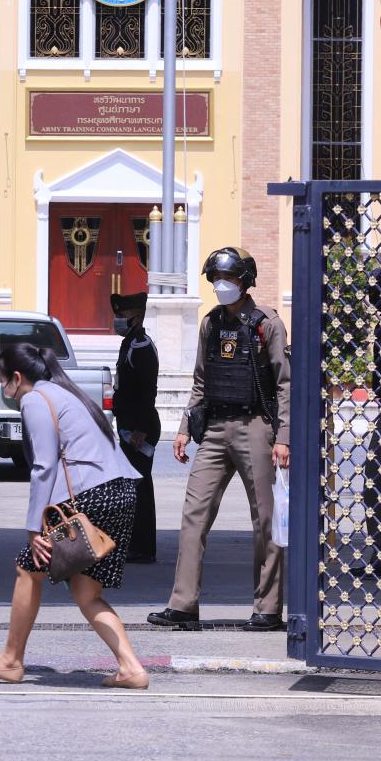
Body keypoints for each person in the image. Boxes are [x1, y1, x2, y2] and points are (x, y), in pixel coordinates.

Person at [0, 343, 148, 689]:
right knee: (87, 594)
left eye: (1, 380)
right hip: (121, 492)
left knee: (28, 568)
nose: (2, 388)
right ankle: (131, 668)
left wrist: (33, 527)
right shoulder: (68, 392)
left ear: (16, 378)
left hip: (91, 496)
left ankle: (10, 660)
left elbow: (44, 465)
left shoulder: (36, 399)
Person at [149, 246, 290, 633]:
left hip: (255, 427)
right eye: (215, 280)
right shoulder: (210, 323)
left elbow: (284, 384)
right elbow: (200, 380)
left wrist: (284, 437)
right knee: (194, 515)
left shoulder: (267, 324)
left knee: (265, 520)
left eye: (227, 279)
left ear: (245, 282)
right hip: (213, 429)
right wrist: (183, 428)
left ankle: (268, 606)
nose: (220, 286)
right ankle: (183, 603)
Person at [110, 290, 160, 563]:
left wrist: (139, 429)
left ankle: (143, 547)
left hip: (140, 428)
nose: (117, 319)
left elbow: (146, 392)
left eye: (122, 315)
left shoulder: (140, 345)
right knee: (132, 486)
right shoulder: (129, 342)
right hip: (129, 426)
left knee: (140, 487)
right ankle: (135, 544)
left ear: (137, 316)